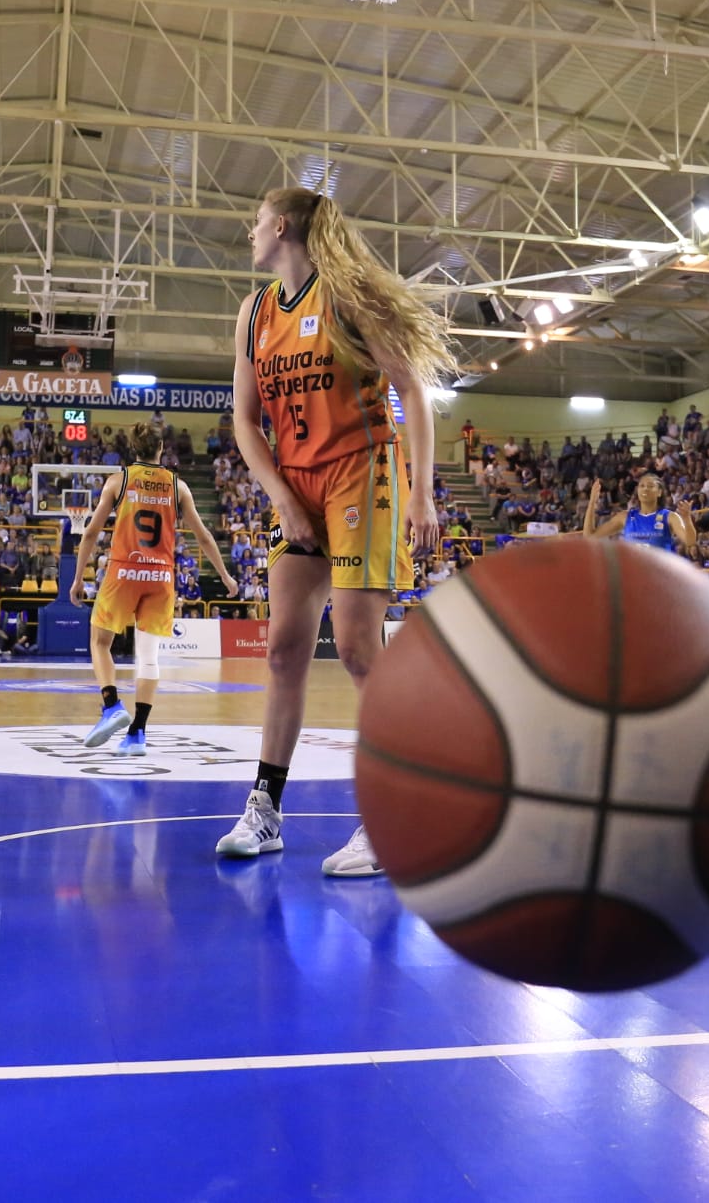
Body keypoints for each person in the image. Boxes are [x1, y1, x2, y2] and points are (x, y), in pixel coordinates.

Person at [216, 186, 451, 875]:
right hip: (299, 484)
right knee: (285, 651)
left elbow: (411, 388)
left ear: (282, 225)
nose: (251, 230)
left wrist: (422, 491)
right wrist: (282, 500)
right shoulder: (255, 312)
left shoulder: (347, 297)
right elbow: (242, 420)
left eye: (257, 219)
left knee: (354, 647)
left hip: (362, 471)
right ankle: (265, 808)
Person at [70, 422, 236, 756]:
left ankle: (112, 705)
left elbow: (90, 533)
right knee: (149, 657)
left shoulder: (119, 481)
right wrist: (226, 576)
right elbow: (203, 535)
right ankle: (137, 735)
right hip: (160, 577)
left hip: (124, 570)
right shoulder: (179, 487)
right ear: (161, 450)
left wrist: (77, 578)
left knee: (100, 642)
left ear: (133, 450)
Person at [580, 472, 695, 554]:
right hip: (633, 579)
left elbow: (690, 541)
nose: (645, 489)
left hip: (660, 580)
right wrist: (592, 502)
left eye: (650, 486)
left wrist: (687, 519)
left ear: (659, 492)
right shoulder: (625, 516)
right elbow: (589, 536)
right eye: (642, 486)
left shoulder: (670, 517)